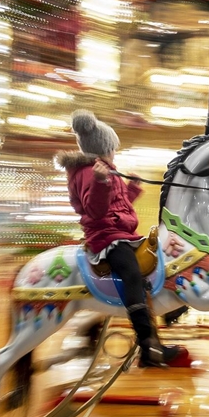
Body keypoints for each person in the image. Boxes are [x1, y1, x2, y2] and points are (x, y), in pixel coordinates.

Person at [56, 109, 183, 368]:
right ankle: (147, 344)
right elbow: (96, 210)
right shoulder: (90, 172)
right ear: (103, 148)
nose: (115, 153)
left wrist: (132, 188)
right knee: (132, 275)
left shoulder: (103, 170)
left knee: (156, 263)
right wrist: (102, 182)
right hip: (107, 237)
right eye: (113, 148)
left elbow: (118, 205)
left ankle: (156, 337)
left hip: (121, 233)